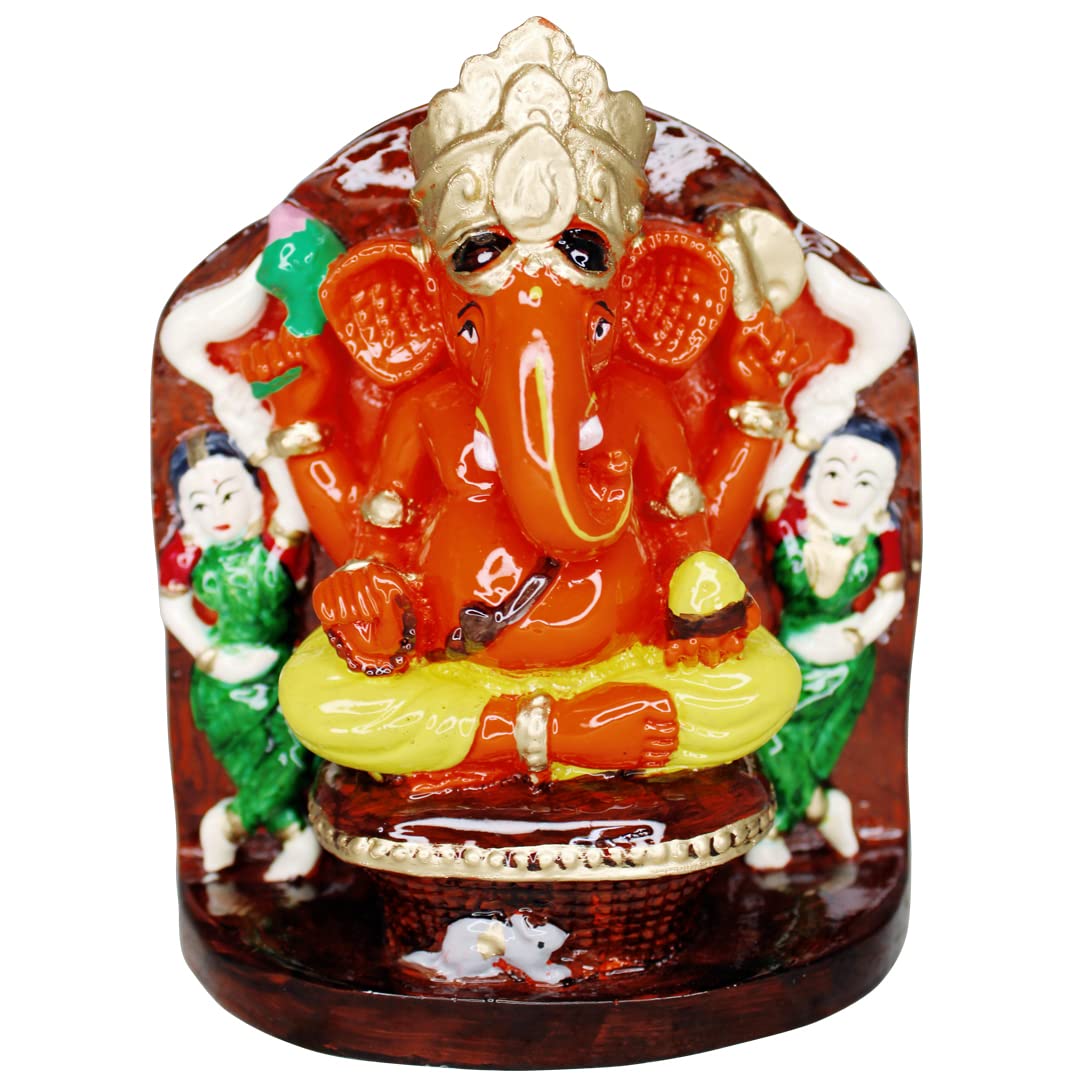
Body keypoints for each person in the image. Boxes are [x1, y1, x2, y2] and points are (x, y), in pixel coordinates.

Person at [159, 429, 320, 881]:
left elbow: (295, 512)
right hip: (225, 689)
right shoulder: (188, 553)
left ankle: (227, 826)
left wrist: (265, 454)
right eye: (201, 505)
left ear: (252, 491)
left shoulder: (274, 549)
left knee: (296, 753)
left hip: (279, 677)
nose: (218, 515)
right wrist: (210, 655)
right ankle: (293, 835)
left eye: (228, 496)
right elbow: (173, 606)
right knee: (251, 766)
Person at [747, 416, 906, 871]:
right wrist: (802, 439)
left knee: (784, 739)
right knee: (773, 736)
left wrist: (860, 633)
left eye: (864, 481)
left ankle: (777, 827)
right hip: (792, 652)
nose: (845, 490)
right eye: (835, 472)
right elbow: (768, 495)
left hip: (842, 660)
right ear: (816, 471)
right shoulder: (794, 521)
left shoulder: (878, 533)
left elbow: (892, 592)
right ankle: (822, 808)